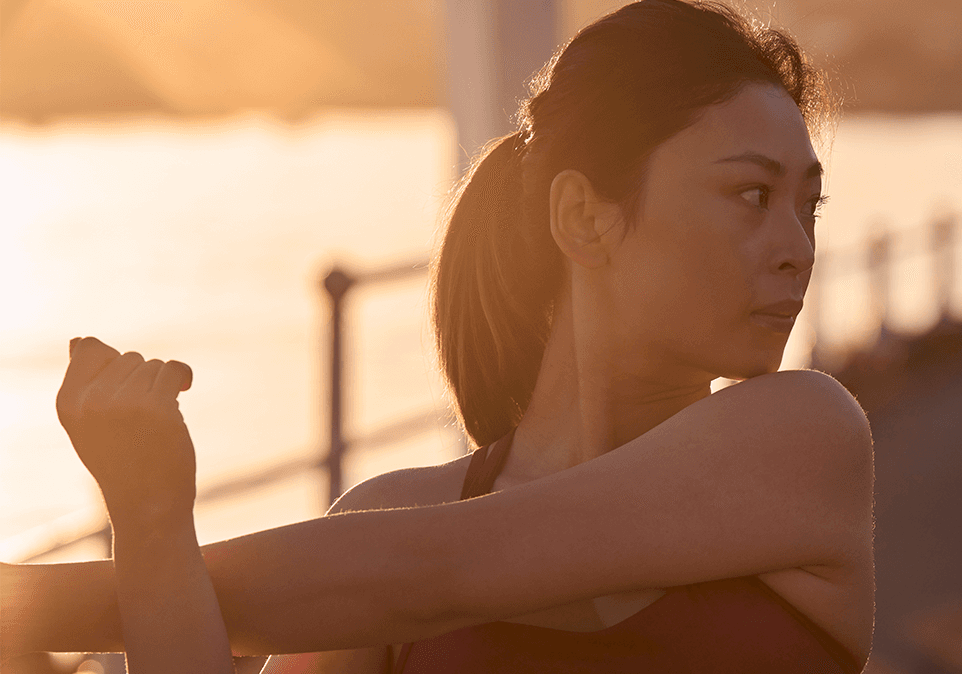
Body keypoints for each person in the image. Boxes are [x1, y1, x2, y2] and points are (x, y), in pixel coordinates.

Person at [1, 1, 874, 672]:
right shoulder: (388, 518)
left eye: (809, 205)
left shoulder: (805, 440)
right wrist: (153, 524)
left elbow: (428, 579)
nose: (798, 250)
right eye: (753, 197)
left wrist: (27, 605)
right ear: (584, 217)